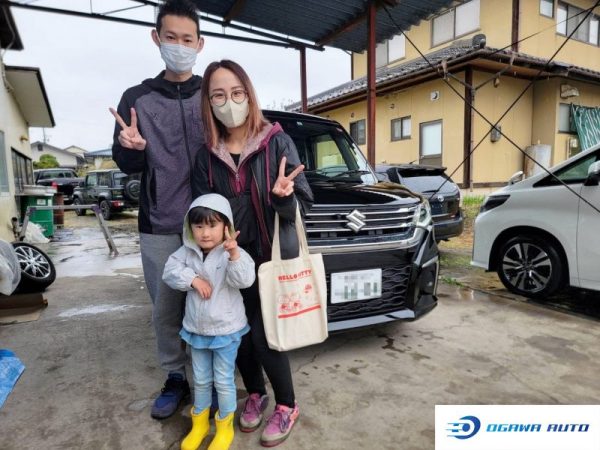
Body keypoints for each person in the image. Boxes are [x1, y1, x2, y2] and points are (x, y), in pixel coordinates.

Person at [192, 60, 313, 447]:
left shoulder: (276, 141)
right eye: (219, 95)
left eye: (237, 93)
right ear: (209, 103)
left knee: (264, 337)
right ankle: (256, 395)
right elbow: (200, 213)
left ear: (249, 94)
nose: (229, 102)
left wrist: (284, 197)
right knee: (237, 335)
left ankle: (288, 404)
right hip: (227, 262)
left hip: (267, 262)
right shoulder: (205, 155)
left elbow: (303, 205)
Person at [110, 0, 205, 419]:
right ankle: (175, 377)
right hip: (159, 222)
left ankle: (210, 374)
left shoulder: (211, 93)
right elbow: (126, 162)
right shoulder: (137, 98)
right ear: (157, 38)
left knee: (213, 301)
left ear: (199, 43)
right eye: (171, 38)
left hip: (212, 224)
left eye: (187, 39)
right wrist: (129, 149)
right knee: (166, 306)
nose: (179, 46)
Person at [163, 193, 255, 450]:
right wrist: (192, 279)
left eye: (212, 225)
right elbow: (169, 271)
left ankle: (224, 428)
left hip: (225, 330)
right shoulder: (185, 252)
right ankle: (199, 424)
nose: (205, 233)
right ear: (189, 228)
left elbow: (245, 280)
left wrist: (234, 254)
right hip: (196, 329)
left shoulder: (232, 253)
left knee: (223, 380)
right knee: (201, 380)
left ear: (226, 226)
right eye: (199, 226)